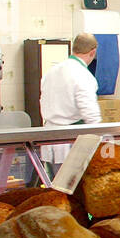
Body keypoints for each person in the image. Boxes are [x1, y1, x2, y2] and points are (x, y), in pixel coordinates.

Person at [39, 33, 101, 168]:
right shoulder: (84, 76)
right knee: (73, 187)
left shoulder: (52, 71)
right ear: (93, 52)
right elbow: (91, 116)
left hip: (49, 139)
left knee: (54, 186)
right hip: (71, 144)